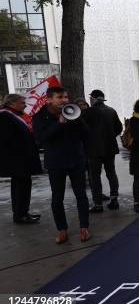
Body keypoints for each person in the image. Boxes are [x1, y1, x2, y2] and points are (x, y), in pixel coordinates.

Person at [32, 86, 91, 244]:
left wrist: (77, 120)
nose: (64, 100)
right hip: (56, 163)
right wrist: (59, 123)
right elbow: (41, 138)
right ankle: (62, 229)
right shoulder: (39, 117)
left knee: (81, 195)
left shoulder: (73, 112)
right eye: (60, 97)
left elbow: (86, 134)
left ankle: (84, 227)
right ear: (49, 99)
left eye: (66, 97)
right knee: (57, 198)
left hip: (76, 160)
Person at [0, 94, 42, 224]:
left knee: (21, 187)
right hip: (17, 161)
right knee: (21, 188)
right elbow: (6, 139)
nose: (25, 105)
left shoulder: (12, 115)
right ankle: (20, 215)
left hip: (20, 160)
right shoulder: (5, 116)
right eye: (22, 102)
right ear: (12, 104)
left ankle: (22, 212)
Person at [82, 90, 123, 213]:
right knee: (111, 173)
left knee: (95, 177)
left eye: (90, 98)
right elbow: (119, 128)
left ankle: (98, 204)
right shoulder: (111, 110)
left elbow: (81, 129)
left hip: (93, 149)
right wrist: (109, 136)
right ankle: (114, 199)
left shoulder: (87, 112)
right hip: (109, 147)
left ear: (93, 99)